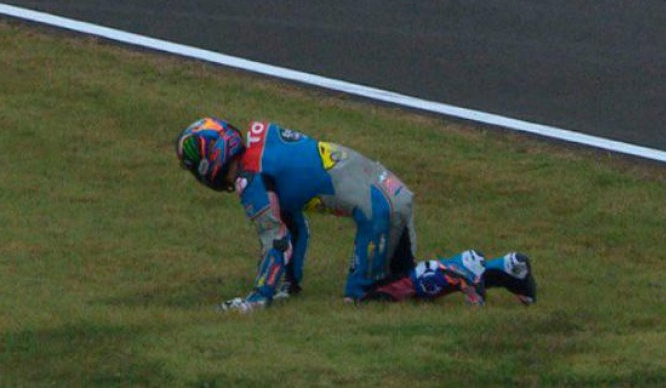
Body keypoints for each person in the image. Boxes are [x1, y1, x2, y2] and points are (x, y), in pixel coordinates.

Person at [174, 117, 537, 312]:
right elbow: (291, 223)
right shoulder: (261, 140)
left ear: (211, 160)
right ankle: (507, 269)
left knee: (366, 297)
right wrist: (289, 284)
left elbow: (277, 241)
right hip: (386, 191)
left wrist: (257, 299)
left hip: (378, 209)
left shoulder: (251, 181)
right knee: (398, 276)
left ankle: (462, 270)